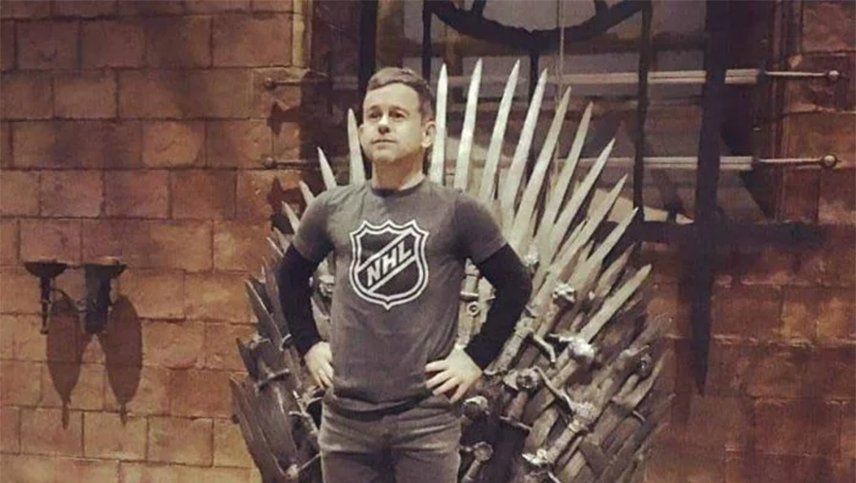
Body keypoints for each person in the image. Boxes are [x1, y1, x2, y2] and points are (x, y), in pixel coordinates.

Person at [277, 67, 532, 483]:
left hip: (425, 421)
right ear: (362, 132)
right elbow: (290, 276)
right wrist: (309, 345)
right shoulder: (331, 208)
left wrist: (474, 359)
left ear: (427, 133)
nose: (382, 124)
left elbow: (515, 284)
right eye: (373, 115)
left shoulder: (457, 211)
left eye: (397, 115)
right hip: (345, 419)